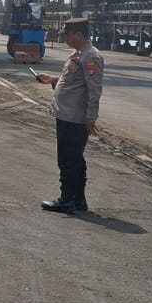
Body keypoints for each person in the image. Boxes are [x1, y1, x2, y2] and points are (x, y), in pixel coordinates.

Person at [34, 17, 105, 214]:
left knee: (68, 160)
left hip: (75, 117)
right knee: (74, 159)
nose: (65, 38)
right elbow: (74, 81)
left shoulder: (91, 57)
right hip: (66, 114)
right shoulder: (79, 54)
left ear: (79, 34)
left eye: (68, 34)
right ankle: (78, 199)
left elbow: (94, 90)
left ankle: (66, 199)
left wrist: (91, 118)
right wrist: (53, 80)